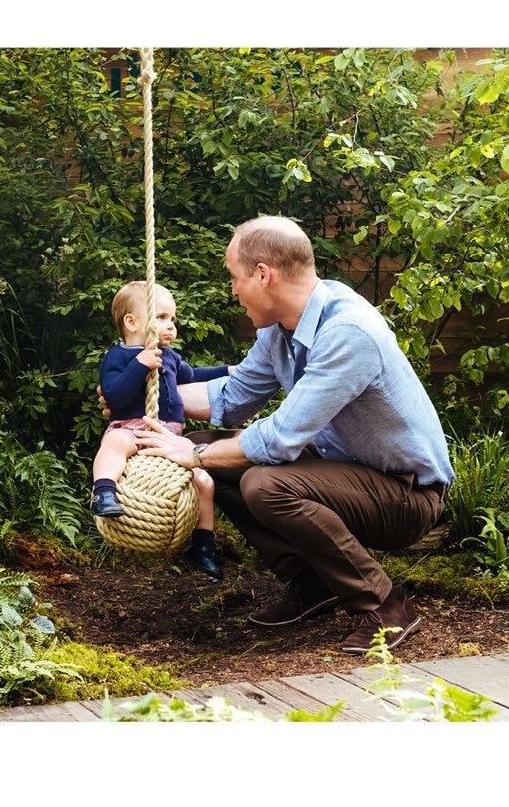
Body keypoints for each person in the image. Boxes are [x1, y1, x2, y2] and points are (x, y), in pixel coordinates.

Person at [132, 216, 455, 654]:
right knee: (215, 449)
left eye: (235, 277)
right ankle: (312, 582)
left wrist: (195, 455)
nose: (233, 290)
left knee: (262, 483)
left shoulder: (348, 332)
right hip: (345, 475)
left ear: (263, 274)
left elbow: (281, 438)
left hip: (406, 496)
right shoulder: (279, 329)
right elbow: (234, 395)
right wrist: (136, 397)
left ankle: (385, 606)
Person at [91, 280, 233, 580]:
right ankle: (103, 492)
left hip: (168, 437)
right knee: (114, 441)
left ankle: (203, 546)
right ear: (132, 322)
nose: (171, 326)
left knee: (203, 481)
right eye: (162, 317)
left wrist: (227, 370)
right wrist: (140, 365)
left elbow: (192, 376)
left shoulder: (169, 355)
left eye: (173, 319)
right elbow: (114, 395)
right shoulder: (117, 357)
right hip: (132, 429)